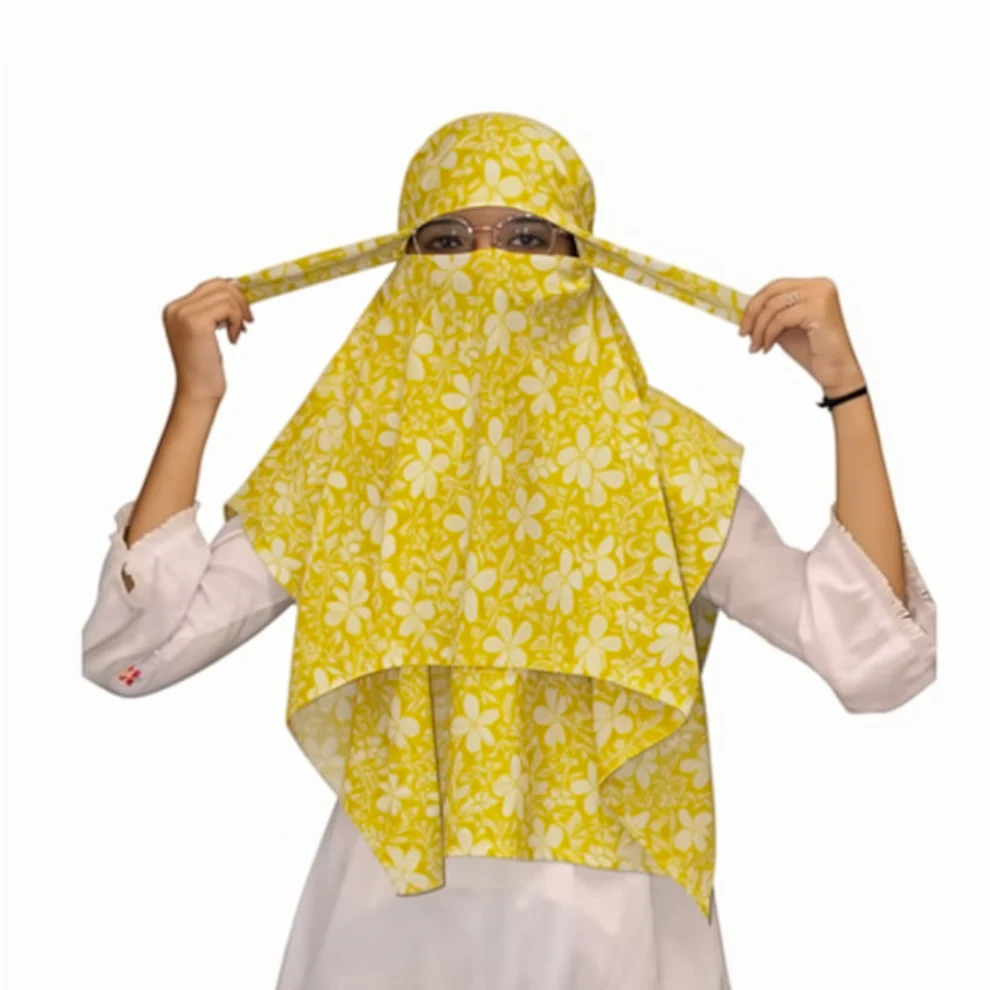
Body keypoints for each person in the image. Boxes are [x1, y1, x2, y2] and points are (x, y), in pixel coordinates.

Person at [81, 113, 936, 990]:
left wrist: (846, 390)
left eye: (527, 237)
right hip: (392, 924)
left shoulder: (656, 460)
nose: (487, 265)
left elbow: (869, 662)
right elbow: (136, 658)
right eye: (448, 240)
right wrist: (196, 400)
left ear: (579, 258)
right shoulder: (351, 456)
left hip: (605, 927)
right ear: (405, 264)